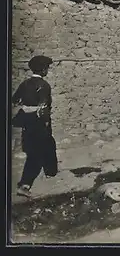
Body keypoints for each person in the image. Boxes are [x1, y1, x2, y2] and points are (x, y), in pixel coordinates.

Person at [12, 55, 57, 198]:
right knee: (36, 156)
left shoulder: (25, 84)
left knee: (46, 147)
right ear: (43, 69)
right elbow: (43, 108)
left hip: (28, 125)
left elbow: (15, 100)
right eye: (47, 68)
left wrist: (26, 108)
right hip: (39, 124)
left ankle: (50, 172)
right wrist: (45, 123)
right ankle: (24, 185)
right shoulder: (44, 86)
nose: (48, 71)